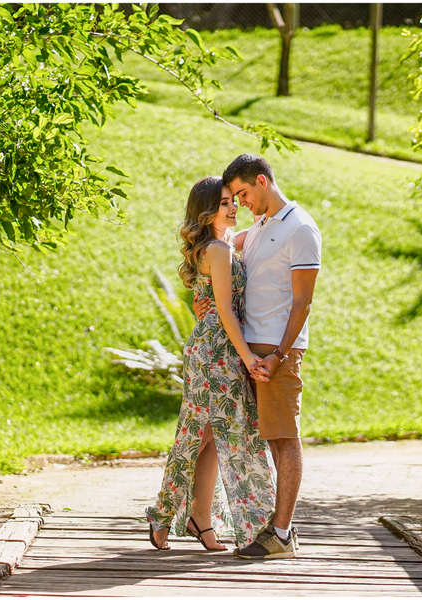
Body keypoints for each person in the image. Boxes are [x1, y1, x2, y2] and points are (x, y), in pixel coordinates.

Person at [196, 154, 322, 560]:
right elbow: (213, 251)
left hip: (274, 351)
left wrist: (281, 355)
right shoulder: (261, 227)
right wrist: (204, 303)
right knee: (246, 437)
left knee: (284, 437)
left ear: (263, 182)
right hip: (246, 351)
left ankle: (281, 535)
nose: (241, 202)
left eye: (244, 193)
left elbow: (302, 302)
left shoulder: (300, 229)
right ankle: (209, 519)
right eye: (234, 196)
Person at [146, 176, 276, 552]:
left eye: (234, 200)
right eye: (224, 203)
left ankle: (199, 519)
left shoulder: (223, 245)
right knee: (201, 436)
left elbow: (213, 302)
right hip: (216, 352)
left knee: (211, 439)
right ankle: (163, 512)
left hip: (214, 347)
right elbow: (224, 311)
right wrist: (248, 356)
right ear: (206, 211)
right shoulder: (218, 250)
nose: (233, 206)